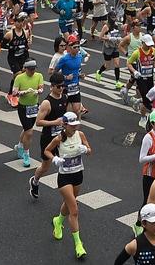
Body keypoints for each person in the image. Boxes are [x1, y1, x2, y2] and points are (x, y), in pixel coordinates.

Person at [44, 110, 92, 259]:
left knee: (68, 202)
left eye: (76, 125)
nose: (74, 128)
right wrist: (54, 159)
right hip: (64, 178)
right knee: (74, 210)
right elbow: (47, 151)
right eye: (72, 126)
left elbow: (90, 150)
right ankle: (78, 245)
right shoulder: (59, 139)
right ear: (64, 125)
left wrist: (86, 149)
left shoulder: (81, 135)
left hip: (78, 175)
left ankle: (58, 221)